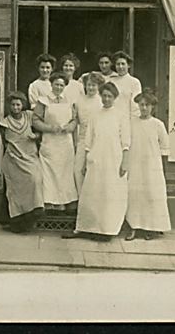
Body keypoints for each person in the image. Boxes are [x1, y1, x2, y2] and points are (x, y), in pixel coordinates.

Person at [63, 82, 130, 241]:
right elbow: (89, 141)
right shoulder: (95, 115)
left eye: (110, 96)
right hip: (96, 158)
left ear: (115, 97)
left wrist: (124, 162)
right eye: (104, 96)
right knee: (92, 193)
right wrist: (87, 161)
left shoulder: (121, 115)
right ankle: (87, 228)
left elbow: (126, 141)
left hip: (114, 159)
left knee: (110, 193)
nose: (106, 99)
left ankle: (107, 229)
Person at [125, 89, 172, 241]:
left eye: (147, 105)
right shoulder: (132, 123)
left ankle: (151, 228)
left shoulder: (158, 125)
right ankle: (134, 227)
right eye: (141, 105)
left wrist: (160, 168)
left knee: (151, 194)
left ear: (152, 107)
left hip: (152, 164)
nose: (144, 108)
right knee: (134, 194)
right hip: (135, 163)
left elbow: (165, 147)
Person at [0, 92, 44, 233]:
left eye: (18, 104)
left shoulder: (30, 116)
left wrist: (35, 136)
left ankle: (32, 216)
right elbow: (5, 143)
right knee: (15, 190)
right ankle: (17, 223)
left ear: (23, 105)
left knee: (35, 179)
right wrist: (13, 154)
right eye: (13, 105)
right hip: (14, 160)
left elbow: (40, 132)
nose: (16, 107)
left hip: (30, 157)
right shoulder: (4, 123)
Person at [33, 71, 78, 212]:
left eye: (61, 85)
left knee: (65, 172)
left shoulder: (70, 101)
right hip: (50, 141)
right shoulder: (43, 100)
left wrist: (70, 127)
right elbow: (35, 120)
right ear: (51, 85)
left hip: (65, 142)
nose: (58, 87)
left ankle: (65, 201)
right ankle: (50, 202)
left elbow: (74, 119)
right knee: (49, 172)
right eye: (56, 84)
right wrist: (50, 128)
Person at [73, 72, 104, 191]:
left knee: (95, 169)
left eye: (94, 85)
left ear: (98, 86)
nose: (91, 88)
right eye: (89, 85)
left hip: (98, 140)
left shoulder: (101, 101)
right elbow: (76, 122)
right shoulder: (79, 101)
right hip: (82, 138)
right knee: (78, 170)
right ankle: (82, 200)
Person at [109, 50, 142, 119]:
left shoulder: (134, 82)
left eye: (123, 64)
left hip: (127, 120)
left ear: (128, 65)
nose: (120, 67)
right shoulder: (111, 81)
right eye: (118, 64)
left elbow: (135, 105)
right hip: (112, 119)